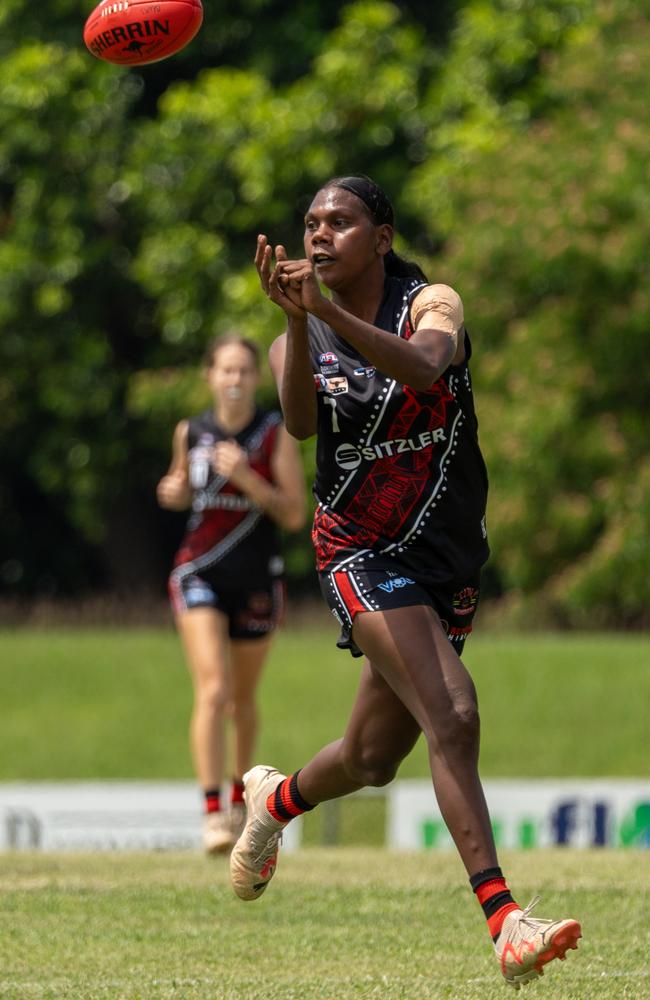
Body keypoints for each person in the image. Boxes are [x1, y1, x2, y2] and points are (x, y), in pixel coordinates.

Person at [228, 176, 582, 988]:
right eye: (311, 223)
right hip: (357, 549)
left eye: (341, 222)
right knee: (453, 713)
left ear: (381, 238)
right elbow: (303, 423)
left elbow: (426, 369)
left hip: (445, 558)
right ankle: (505, 921)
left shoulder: (432, 304)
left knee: (372, 756)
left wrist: (327, 313)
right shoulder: (303, 336)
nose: (320, 235)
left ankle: (275, 801)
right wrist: (296, 321)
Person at [157, 333, 306, 854]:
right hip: (198, 570)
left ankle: (244, 801)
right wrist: (171, 492)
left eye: (244, 371)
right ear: (210, 376)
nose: (236, 380)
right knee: (214, 690)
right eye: (226, 371)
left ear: (256, 378)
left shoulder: (273, 433)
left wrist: (245, 476)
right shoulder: (191, 430)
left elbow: (293, 513)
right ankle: (212, 813)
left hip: (257, 578)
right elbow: (178, 486)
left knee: (242, 700)